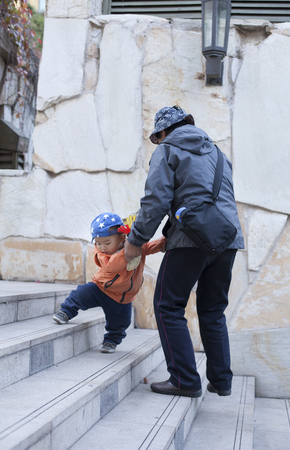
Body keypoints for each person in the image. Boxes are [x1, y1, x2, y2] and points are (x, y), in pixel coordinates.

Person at [124, 106, 244, 397]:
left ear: (165, 131)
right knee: (213, 311)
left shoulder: (167, 150)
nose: (159, 141)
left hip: (190, 240)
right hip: (227, 239)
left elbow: (156, 199)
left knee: (168, 305)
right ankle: (221, 380)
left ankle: (184, 380)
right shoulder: (218, 154)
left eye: (159, 136)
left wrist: (136, 239)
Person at [53, 212, 166, 353]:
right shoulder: (101, 254)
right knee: (81, 293)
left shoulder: (135, 246)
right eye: (98, 242)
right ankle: (66, 311)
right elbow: (113, 265)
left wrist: (162, 243)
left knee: (121, 322)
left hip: (122, 298)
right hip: (101, 289)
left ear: (122, 238)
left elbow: (148, 247)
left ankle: (111, 341)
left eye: (107, 243)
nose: (102, 247)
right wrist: (128, 252)